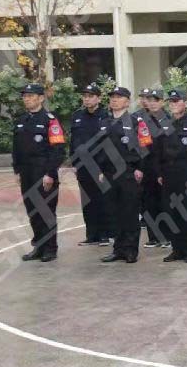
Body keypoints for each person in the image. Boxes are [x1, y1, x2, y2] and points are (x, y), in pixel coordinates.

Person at [12, 83, 66, 263]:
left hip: (43, 173)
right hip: (26, 173)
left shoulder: (50, 120)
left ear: (41, 98)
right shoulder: (21, 120)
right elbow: (16, 148)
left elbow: (58, 150)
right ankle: (39, 246)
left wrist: (50, 173)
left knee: (46, 211)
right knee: (33, 211)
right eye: (25, 96)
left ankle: (50, 248)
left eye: (30, 96)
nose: (26, 99)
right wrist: (17, 170)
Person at [98, 87, 152, 264]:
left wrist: (140, 168)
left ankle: (130, 250)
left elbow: (145, 147)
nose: (114, 100)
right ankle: (118, 249)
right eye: (112, 97)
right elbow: (99, 148)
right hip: (109, 173)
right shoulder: (104, 122)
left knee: (129, 212)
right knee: (114, 213)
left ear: (127, 102)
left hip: (129, 172)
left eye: (119, 97)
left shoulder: (136, 122)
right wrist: (100, 170)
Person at [153, 90, 187, 263]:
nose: (173, 105)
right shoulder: (165, 124)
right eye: (171, 102)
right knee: (171, 213)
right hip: (169, 175)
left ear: (186, 103)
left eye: (177, 101)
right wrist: (159, 173)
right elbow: (158, 151)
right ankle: (177, 249)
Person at [69, 83, 113, 246]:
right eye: (85, 96)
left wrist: (104, 167)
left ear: (99, 98)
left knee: (103, 200)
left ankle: (105, 234)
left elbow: (108, 144)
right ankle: (92, 235)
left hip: (100, 165)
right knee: (87, 201)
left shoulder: (106, 116)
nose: (87, 99)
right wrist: (74, 162)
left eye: (91, 96)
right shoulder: (77, 116)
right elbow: (73, 142)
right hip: (82, 165)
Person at [138, 89, 170, 248]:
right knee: (149, 203)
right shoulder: (142, 121)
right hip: (147, 167)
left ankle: (167, 236)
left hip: (164, 168)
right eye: (149, 100)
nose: (152, 103)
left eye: (155, 100)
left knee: (165, 203)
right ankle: (153, 237)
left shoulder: (169, 120)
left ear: (162, 102)